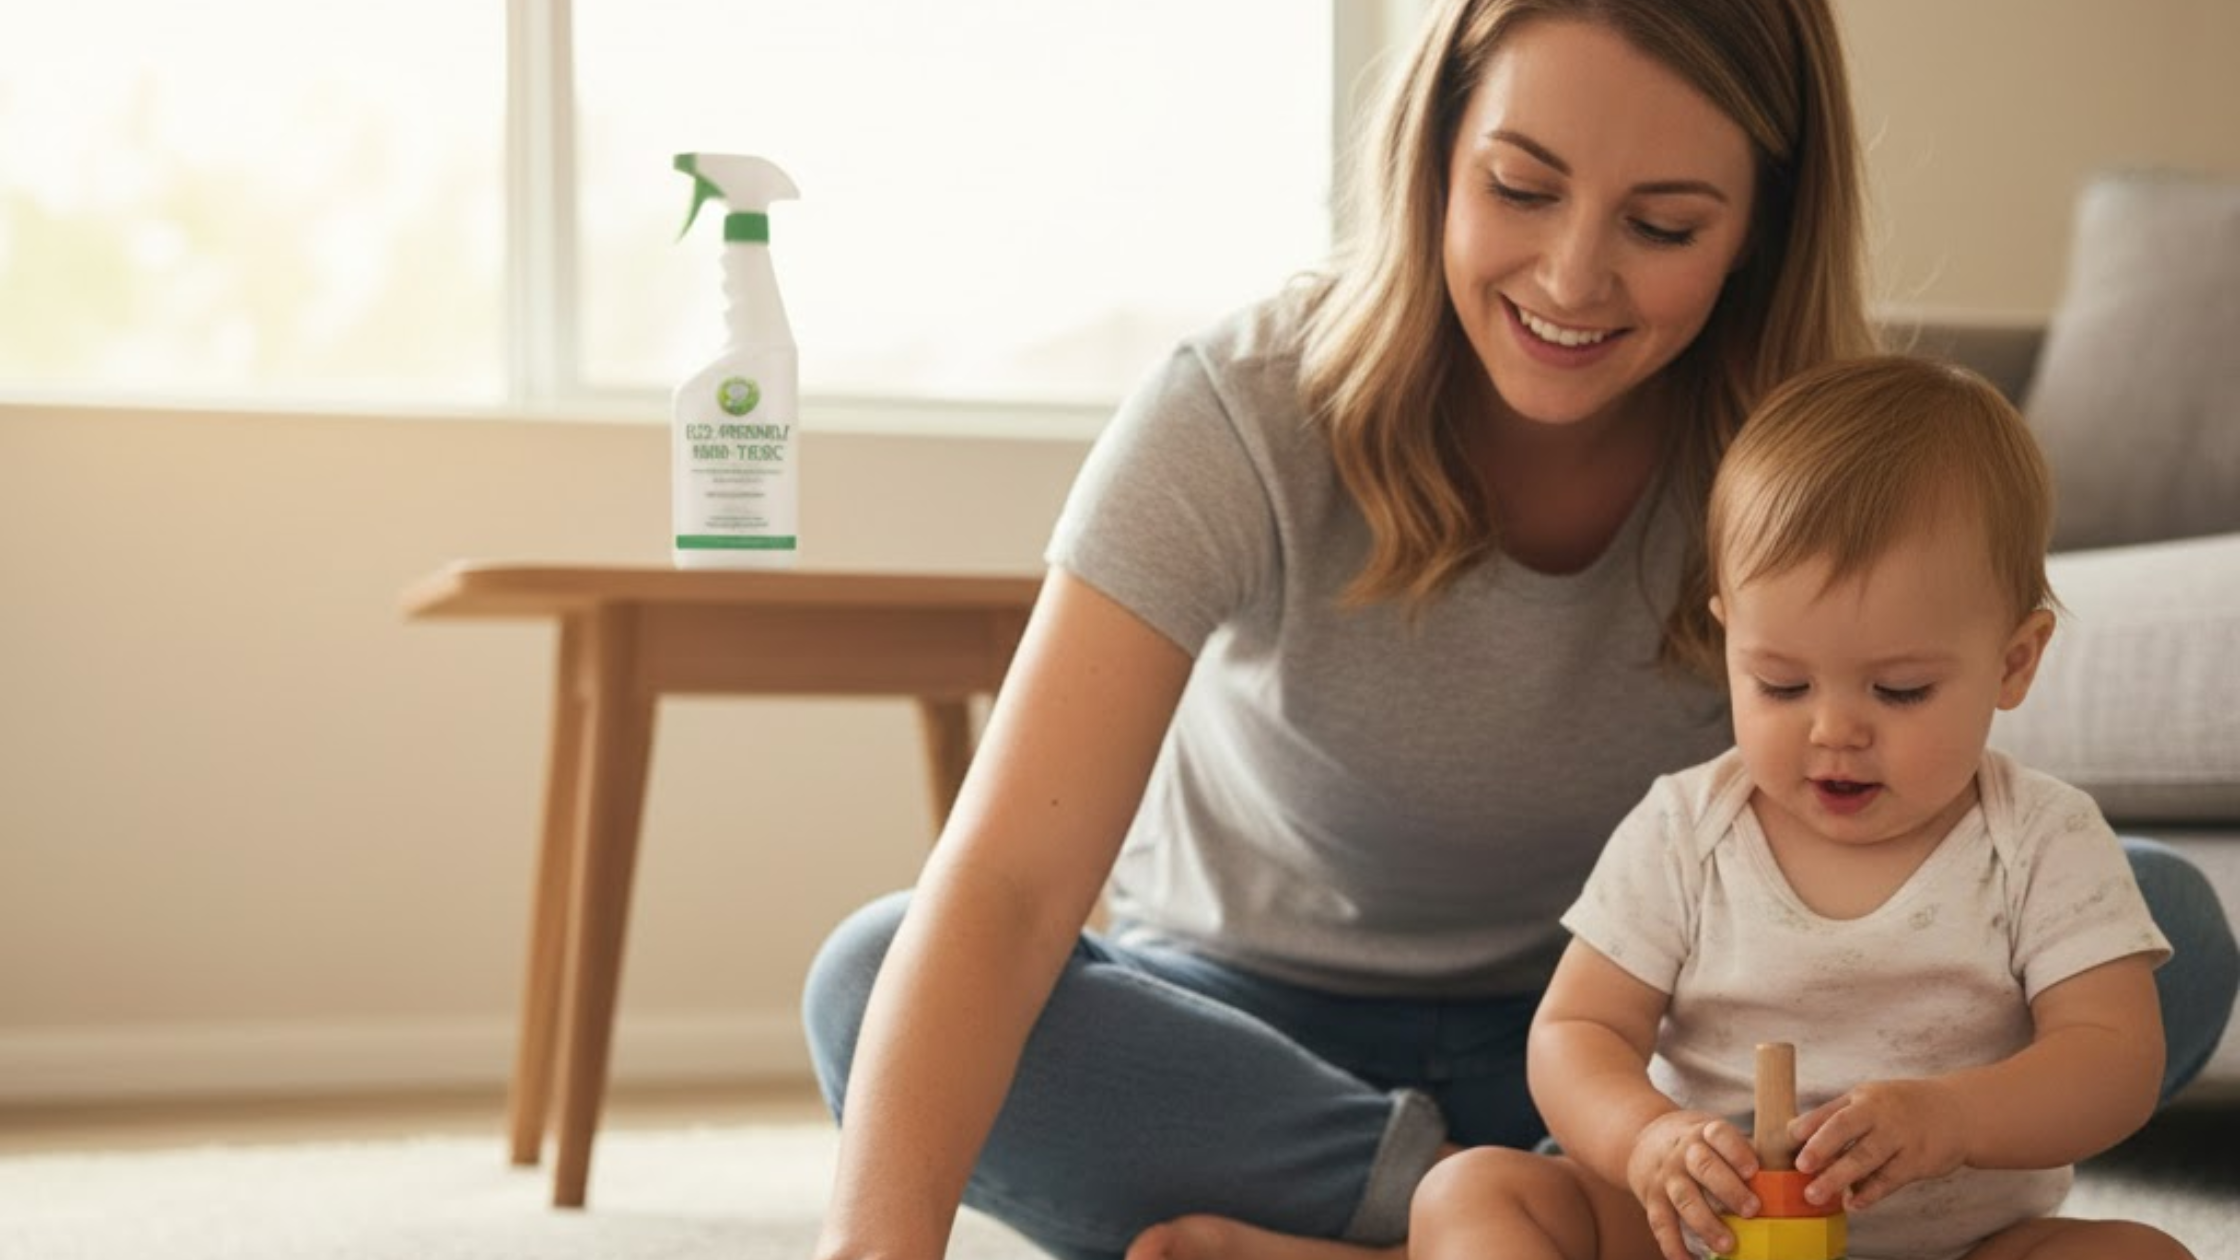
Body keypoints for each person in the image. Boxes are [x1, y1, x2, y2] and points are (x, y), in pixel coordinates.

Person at [801, 3, 2237, 1259]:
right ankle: (1484, 1218)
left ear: (1759, 228)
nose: (1569, 278)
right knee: (877, 983)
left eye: (1663, 226)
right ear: (1436, 155)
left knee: (2153, 920)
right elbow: (1000, 889)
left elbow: (1941, 838)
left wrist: (1869, 1110)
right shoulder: (1235, 415)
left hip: (1667, 1044)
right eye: (1520, 188)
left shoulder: (1805, 466)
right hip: (1266, 1043)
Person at [1407, 355, 2192, 1260]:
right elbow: (1577, 1030)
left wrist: (1953, 1118)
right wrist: (1648, 1137)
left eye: (1899, 691)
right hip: (1699, 1242)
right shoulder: (1685, 829)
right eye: (1780, 684)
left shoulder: (2043, 839)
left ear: (2015, 662)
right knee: (1474, 1192)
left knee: (2141, 1255)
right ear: (1727, 639)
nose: (1834, 732)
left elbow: (2115, 1062)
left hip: (1953, 1249)